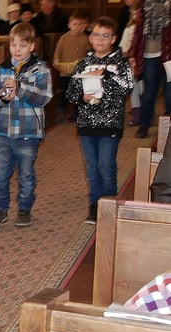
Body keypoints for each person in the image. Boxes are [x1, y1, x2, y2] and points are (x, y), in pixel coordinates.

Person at [0, 22, 53, 229]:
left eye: (22, 45)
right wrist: (1, 98)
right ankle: (0, 209)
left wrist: (20, 88)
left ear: (32, 46)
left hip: (28, 131)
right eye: (14, 45)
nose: (17, 49)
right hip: (3, 131)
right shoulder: (0, 69)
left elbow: (44, 97)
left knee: (26, 174)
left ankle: (24, 208)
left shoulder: (41, 69)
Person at [66, 16, 133, 223]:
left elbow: (128, 87)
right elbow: (70, 92)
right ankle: (95, 204)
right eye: (96, 35)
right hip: (86, 124)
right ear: (90, 38)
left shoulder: (120, 62)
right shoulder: (83, 63)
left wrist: (107, 74)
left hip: (110, 123)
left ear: (113, 39)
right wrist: (81, 98)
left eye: (105, 36)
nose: (100, 39)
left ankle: (109, 203)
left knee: (106, 166)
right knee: (92, 168)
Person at [129, 0, 171, 139]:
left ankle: (168, 128)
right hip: (149, 55)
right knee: (148, 93)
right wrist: (133, 53)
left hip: (169, 56)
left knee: (169, 92)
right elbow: (138, 31)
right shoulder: (144, 4)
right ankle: (144, 125)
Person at [52, 12, 90, 122]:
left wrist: (84, 64)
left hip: (79, 72)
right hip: (65, 71)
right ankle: (60, 110)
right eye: (74, 24)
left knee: (79, 92)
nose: (77, 27)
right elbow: (58, 51)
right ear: (69, 25)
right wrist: (56, 60)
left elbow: (88, 53)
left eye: (79, 24)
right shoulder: (64, 38)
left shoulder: (85, 38)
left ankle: (77, 112)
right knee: (64, 91)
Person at [119, 4, 142, 126]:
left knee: (143, 88)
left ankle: (145, 111)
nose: (136, 16)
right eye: (133, 14)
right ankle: (136, 113)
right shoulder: (128, 30)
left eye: (138, 13)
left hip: (143, 63)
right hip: (130, 63)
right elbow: (123, 47)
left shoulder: (145, 30)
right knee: (134, 88)